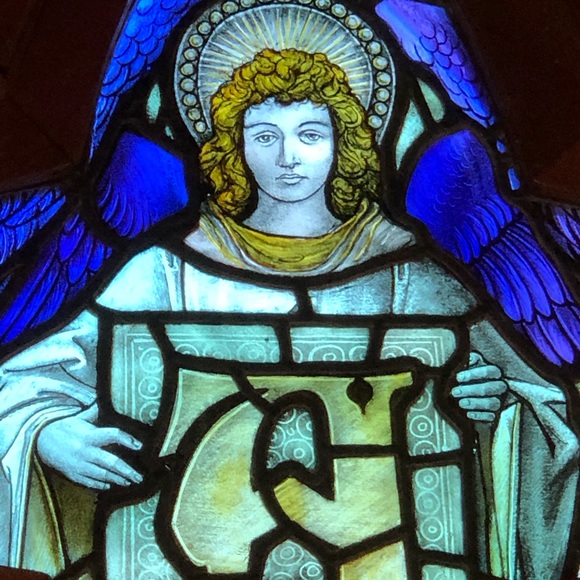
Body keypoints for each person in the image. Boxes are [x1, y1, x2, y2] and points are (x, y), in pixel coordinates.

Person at [0, 49, 577, 579]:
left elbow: (544, 407)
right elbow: (23, 381)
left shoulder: (414, 278)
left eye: (310, 134)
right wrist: (44, 432)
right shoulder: (163, 275)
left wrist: (495, 409)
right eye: (264, 136)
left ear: (343, 143)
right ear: (234, 146)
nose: (287, 158)